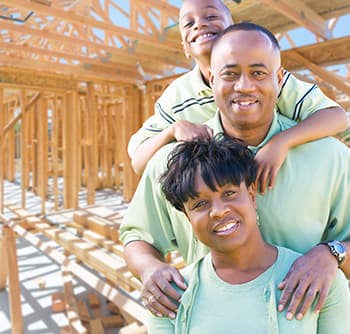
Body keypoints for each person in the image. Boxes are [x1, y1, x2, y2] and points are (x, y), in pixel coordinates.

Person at [120, 22, 350, 322]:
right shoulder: (172, 164)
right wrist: (149, 268)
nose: (244, 86)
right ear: (212, 79)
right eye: (230, 74)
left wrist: (331, 254)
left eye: (258, 73)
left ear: (279, 79)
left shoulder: (330, 158)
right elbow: (138, 236)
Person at [128, 0, 349, 196]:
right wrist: (172, 131)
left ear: (232, 31)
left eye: (211, 16)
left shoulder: (267, 82)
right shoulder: (177, 96)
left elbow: (337, 117)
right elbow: (139, 163)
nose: (200, 24)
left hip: (279, 189)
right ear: (185, 46)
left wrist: (281, 142)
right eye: (188, 23)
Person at [147, 136, 350, 333]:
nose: (218, 211)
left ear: (252, 197)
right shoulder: (169, 296)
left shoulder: (319, 280)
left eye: (229, 193)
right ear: (188, 218)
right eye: (200, 204)